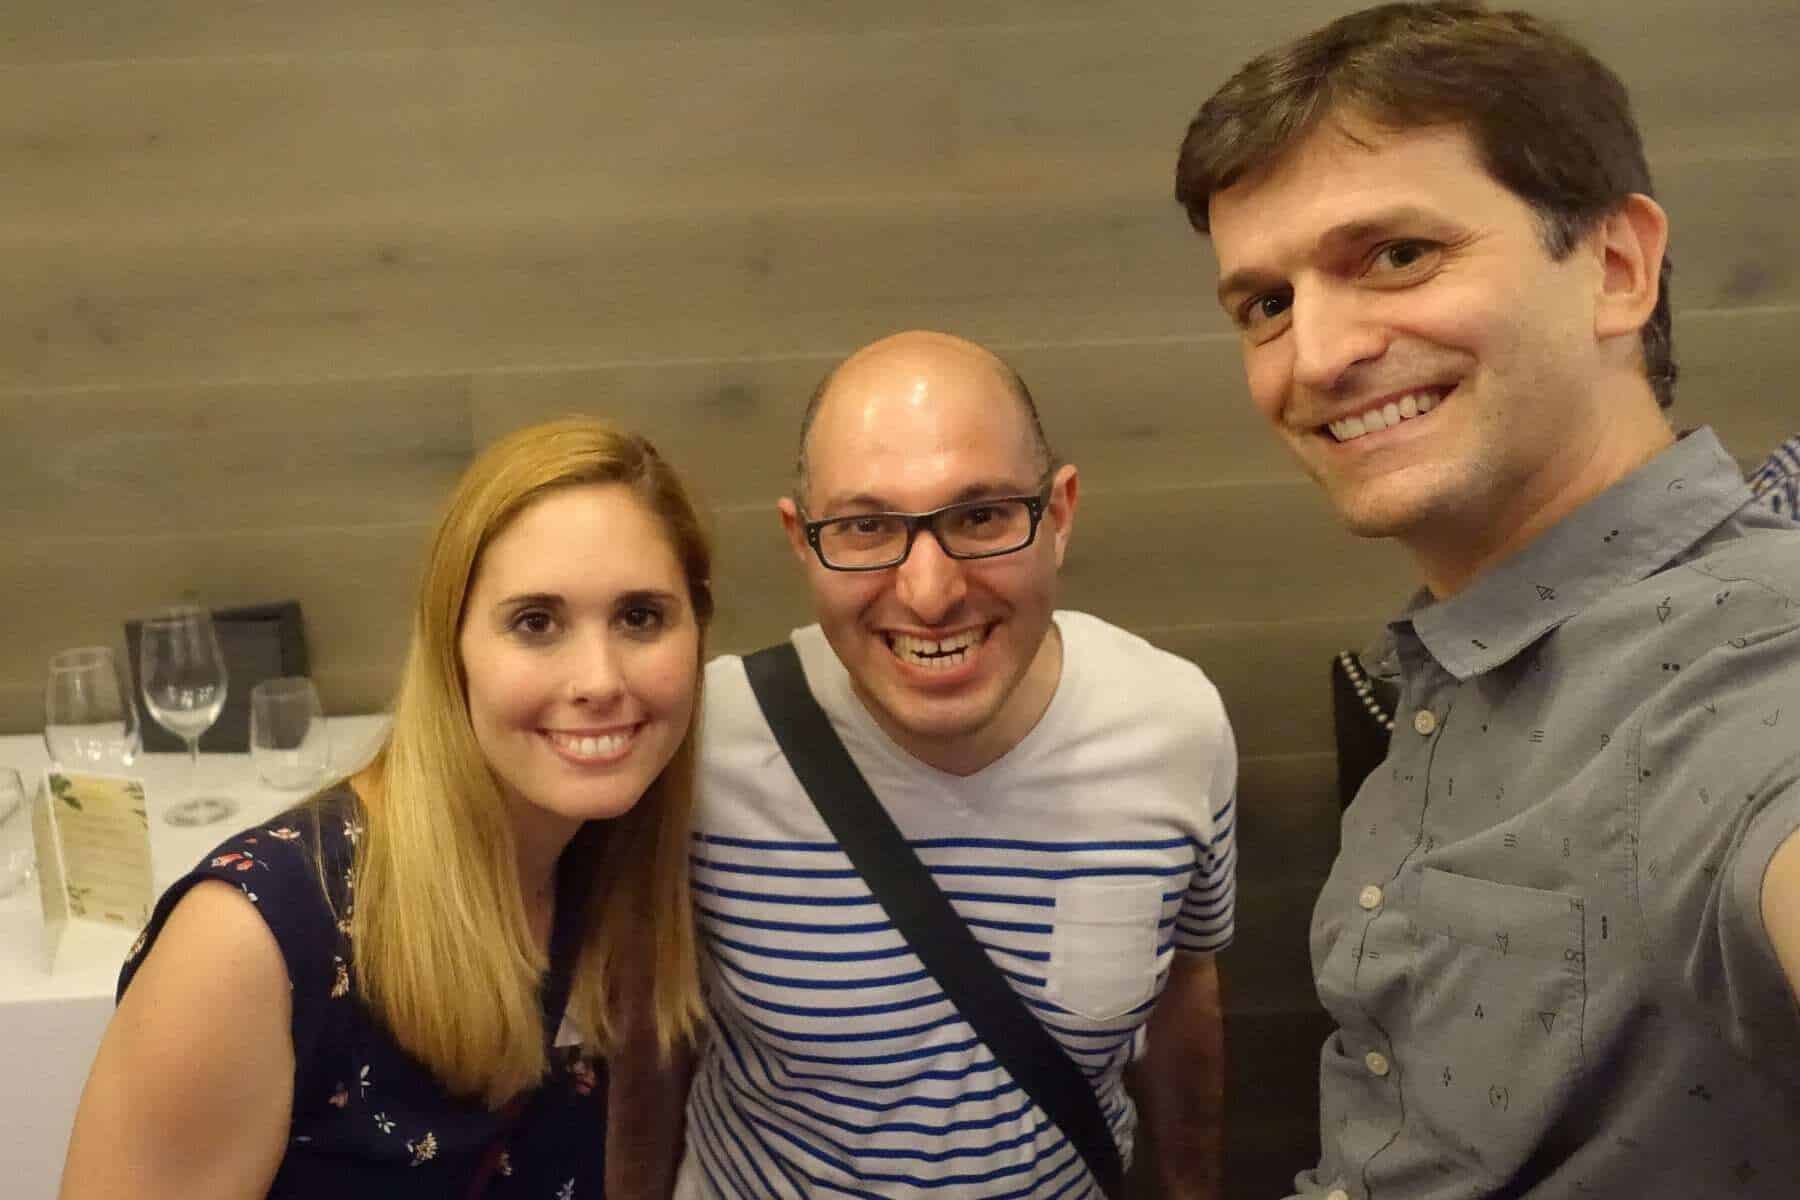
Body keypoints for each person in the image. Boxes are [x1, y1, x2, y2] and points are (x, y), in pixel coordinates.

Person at [1173, 3, 1800, 1197]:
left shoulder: (1753, 662)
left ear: (1616, 269)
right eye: (1266, 305)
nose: (1317, 357)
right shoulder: (1454, 657)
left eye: (1396, 256)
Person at [59, 417, 712, 1198]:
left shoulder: (613, 861)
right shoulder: (251, 942)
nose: (599, 679)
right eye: (536, 623)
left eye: (641, 617)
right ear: (450, 646)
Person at [676, 330, 1237, 1198]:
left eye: (980, 518)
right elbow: (640, 1040)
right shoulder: (703, 747)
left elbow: (1184, 989)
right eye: (866, 527)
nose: (930, 594)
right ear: (802, 541)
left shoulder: (1174, 726)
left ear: (1058, 515)